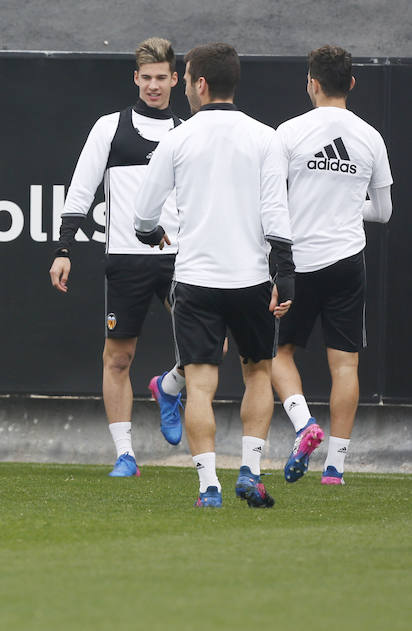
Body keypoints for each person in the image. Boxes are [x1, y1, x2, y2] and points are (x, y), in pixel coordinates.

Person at [134, 43, 295, 508]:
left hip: (196, 280)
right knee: (259, 374)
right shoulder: (266, 137)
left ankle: (209, 486)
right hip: (251, 279)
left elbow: (145, 213)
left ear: (199, 84)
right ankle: (250, 470)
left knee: (200, 385)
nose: (183, 86)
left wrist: (150, 233)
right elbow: (275, 210)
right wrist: (285, 272)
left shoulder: (178, 138)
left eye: (184, 78)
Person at [49, 37, 186, 478]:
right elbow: (81, 189)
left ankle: (168, 388)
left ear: (175, 79)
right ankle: (125, 454)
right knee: (118, 359)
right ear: (135, 79)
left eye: (161, 78)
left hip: (180, 258)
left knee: (209, 347)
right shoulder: (110, 127)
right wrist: (64, 248)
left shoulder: (186, 132)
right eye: (146, 78)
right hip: (126, 259)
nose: (153, 86)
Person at [272, 45, 393, 486]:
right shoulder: (371, 136)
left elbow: (270, 200)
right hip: (347, 262)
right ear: (352, 84)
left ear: (312, 83)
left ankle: (305, 426)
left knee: (277, 354)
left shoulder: (288, 132)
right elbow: (382, 211)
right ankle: (335, 469)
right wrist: (344, 206)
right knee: (345, 366)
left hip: (298, 263)